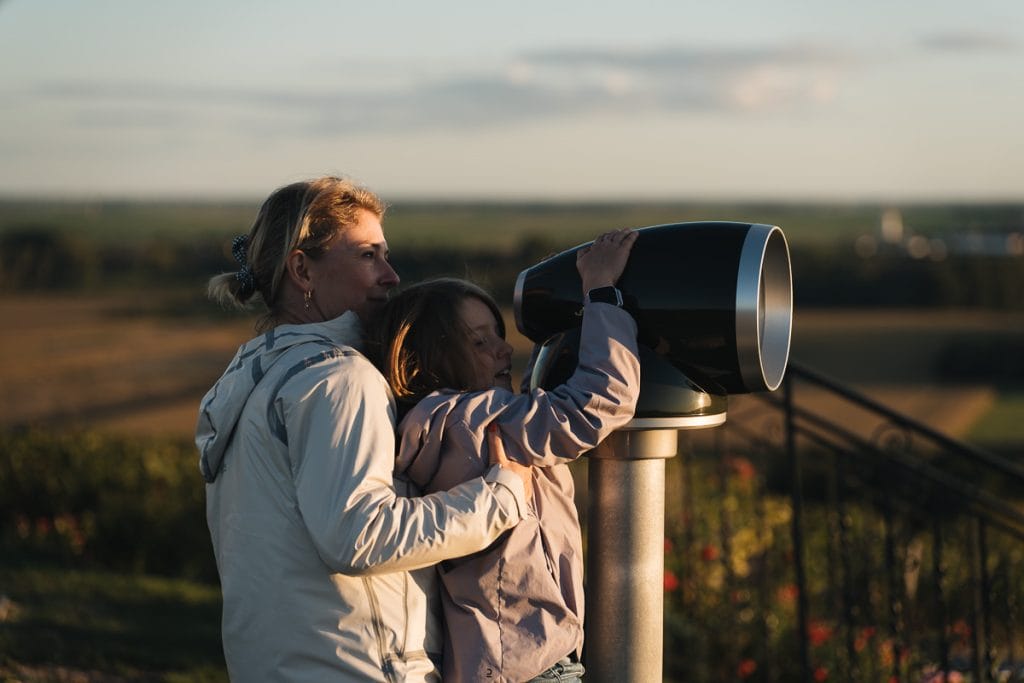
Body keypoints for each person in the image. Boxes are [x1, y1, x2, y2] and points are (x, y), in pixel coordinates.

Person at [195, 176, 531, 682]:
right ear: (302, 269)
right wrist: (500, 497)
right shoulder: (339, 379)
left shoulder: (245, 379)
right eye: (368, 256)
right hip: (359, 669)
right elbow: (359, 535)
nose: (392, 276)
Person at [364, 228, 641, 682]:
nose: (504, 348)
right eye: (478, 342)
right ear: (433, 359)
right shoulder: (480, 421)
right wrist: (601, 292)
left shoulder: (439, 428)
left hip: (497, 665)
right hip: (533, 666)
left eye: (498, 334)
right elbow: (600, 400)